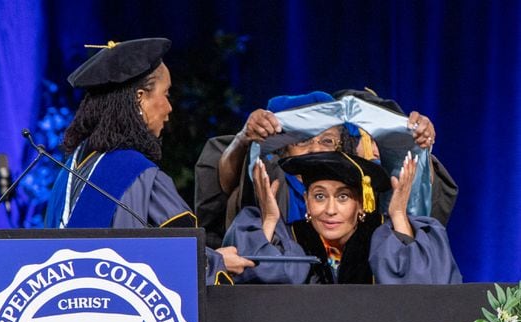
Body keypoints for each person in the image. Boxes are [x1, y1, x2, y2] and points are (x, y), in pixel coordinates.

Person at [44, 38, 254, 285]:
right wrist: (216, 261)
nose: (169, 107)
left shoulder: (71, 170)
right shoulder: (138, 174)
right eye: (166, 94)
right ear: (139, 98)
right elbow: (180, 255)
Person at [194, 90, 458, 248]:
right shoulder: (271, 185)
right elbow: (229, 181)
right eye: (302, 141)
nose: (316, 149)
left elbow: (414, 194)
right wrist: (245, 138)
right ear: (282, 148)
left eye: (327, 141)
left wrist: (418, 145)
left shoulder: (359, 187)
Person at [222, 150, 462, 284]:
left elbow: (423, 290)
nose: (330, 209)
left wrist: (399, 215)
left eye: (343, 197)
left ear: (361, 204)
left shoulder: (381, 238)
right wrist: (270, 219)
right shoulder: (291, 240)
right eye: (319, 197)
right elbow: (252, 287)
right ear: (306, 201)